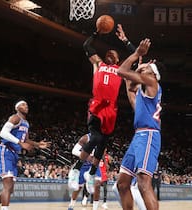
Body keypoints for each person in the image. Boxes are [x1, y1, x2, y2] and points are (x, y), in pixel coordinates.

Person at [68, 30, 123, 194]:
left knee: (103, 142)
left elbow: (135, 58)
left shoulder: (120, 70)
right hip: (97, 105)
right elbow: (86, 45)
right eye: (108, 53)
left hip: (111, 110)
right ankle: (76, 170)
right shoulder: (98, 64)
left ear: (118, 59)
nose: (109, 54)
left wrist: (126, 41)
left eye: (113, 53)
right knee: (95, 137)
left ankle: (91, 174)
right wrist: (96, 33)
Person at [116, 38, 162, 210]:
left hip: (149, 135)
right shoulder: (144, 97)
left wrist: (137, 54)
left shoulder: (152, 82)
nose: (143, 66)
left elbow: (122, 71)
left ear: (152, 74)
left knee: (143, 182)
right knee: (122, 183)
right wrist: (129, 45)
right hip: (139, 137)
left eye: (147, 67)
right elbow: (129, 86)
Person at [0, 100, 50, 210]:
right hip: (5, 151)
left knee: (10, 189)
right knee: (8, 186)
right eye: (23, 104)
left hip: (14, 154)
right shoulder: (15, 118)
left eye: (27, 104)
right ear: (17, 108)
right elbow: (3, 133)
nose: (26, 106)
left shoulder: (26, 123)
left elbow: (26, 140)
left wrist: (38, 144)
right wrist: (20, 143)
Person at [68, 133, 102, 210]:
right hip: (83, 165)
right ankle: (71, 205)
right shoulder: (85, 138)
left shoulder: (102, 138)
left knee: (97, 184)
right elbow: (74, 151)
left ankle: (95, 208)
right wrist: (85, 156)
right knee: (79, 187)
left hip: (94, 165)